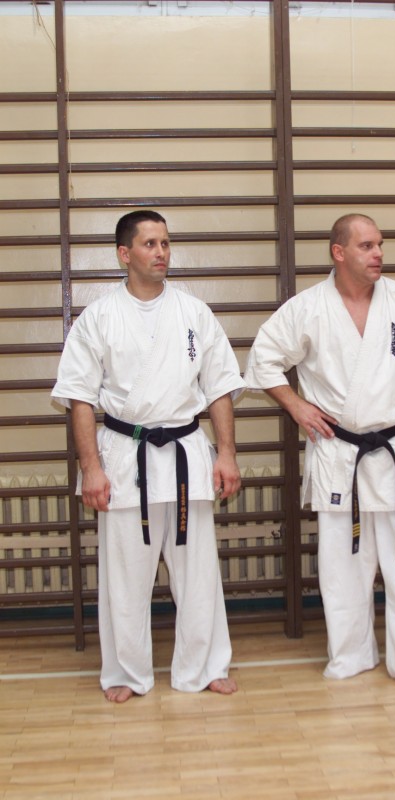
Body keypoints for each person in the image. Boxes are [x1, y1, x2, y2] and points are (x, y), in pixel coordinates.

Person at [244, 213, 395, 697]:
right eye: (367, 246)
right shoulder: (307, 308)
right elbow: (263, 360)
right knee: (342, 566)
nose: (378, 254)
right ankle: (350, 655)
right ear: (339, 252)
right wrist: (296, 406)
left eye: (379, 245)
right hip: (339, 453)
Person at [52, 209, 245, 702]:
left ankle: (204, 667)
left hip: (185, 454)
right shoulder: (99, 318)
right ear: (125, 254)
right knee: (125, 577)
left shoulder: (194, 313)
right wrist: (90, 468)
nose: (161, 253)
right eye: (150, 244)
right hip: (124, 456)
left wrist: (227, 454)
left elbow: (220, 388)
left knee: (198, 573)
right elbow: (79, 398)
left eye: (165, 243)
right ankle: (125, 672)